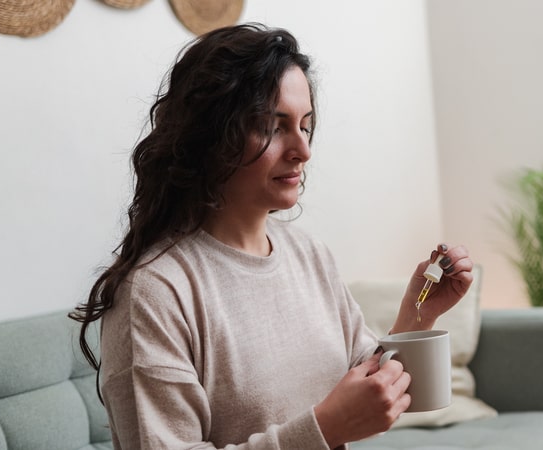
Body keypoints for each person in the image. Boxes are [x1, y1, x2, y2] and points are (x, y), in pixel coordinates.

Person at [70, 23, 473, 450]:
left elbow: (368, 389)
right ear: (211, 135)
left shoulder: (308, 253)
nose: (303, 149)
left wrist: (418, 312)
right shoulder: (154, 292)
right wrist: (324, 429)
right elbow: (335, 420)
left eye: (305, 125)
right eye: (274, 126)